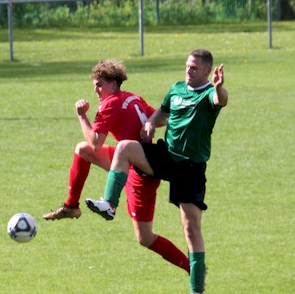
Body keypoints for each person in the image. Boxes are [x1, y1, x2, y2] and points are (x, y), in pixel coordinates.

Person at [86, 49, 228, 294]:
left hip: (190, 168)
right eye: (187, 66)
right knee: (125, 147)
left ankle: (196, 291)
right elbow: (162, 113)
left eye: (195, 68)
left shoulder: (208, 94)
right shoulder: (176, 89)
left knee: (191, 228)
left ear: (207, 72)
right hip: (167, 156)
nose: (189, 71)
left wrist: (220, 89)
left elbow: (220, 100)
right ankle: (109, 204)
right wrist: (151, 123)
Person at [43, 60, 190, 275]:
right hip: (131, 160)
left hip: (141, 172)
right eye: (94, 85)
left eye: (99, 84)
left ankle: (191, 267)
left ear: (113, 83)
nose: (95, 89)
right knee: (82, 149)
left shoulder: (109, 103)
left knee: (145, 238)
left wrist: (82, 116)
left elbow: (96, 142)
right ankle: (71, 206)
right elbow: (156, 119)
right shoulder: (132, 97)